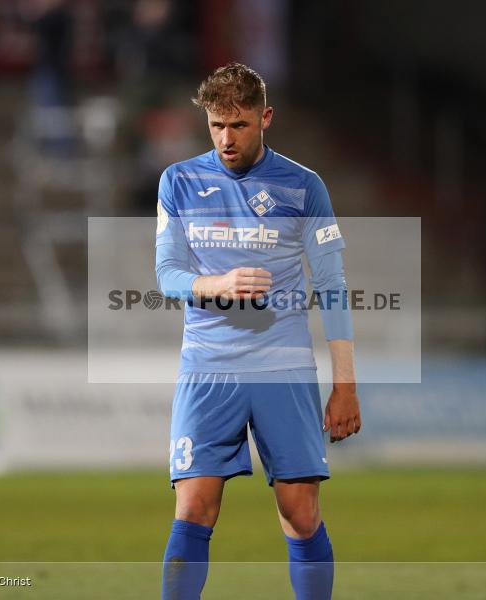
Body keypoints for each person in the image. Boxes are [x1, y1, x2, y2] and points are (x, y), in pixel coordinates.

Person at [154, 63, 360, 600]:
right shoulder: (177, 182)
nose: (226, 138)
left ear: (265, 118)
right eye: (217, 125)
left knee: (300, 512)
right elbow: (168, 275)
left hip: (283, 369)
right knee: (194, 507)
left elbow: (333, 285)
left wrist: (345, 383)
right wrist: (216, 283)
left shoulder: (304, 186)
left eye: (239, 125)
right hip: (208, 368)